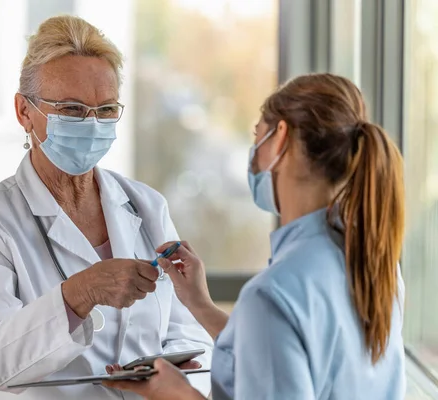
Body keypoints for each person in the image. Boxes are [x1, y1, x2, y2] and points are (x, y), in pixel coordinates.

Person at [0, 15, 213, 400]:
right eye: (72, 109)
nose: (91, 124)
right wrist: (78, 295)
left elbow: (183, 329)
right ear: (24, 111)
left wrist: (167, 368)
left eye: (105, 110)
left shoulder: (146, 205)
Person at [105, 73, 406, 399]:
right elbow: (279, 356)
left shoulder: (273, 295)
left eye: (256, 135)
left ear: (280, 138)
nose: (252, 154)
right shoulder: (375, 265)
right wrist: (200, 305)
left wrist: (179, 395)